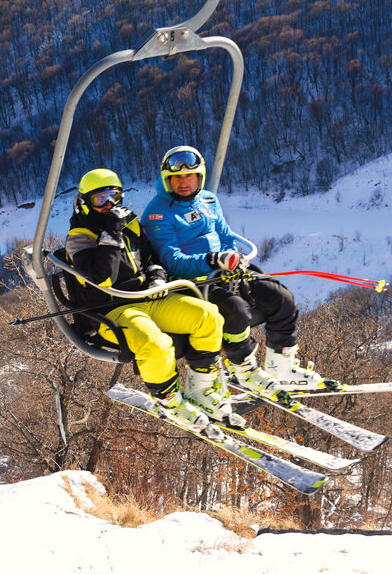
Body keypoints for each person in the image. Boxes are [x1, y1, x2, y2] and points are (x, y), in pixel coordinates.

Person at [65, 168, 244, 430]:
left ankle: (201, 390)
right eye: (100, 199)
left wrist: (157, 278)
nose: (109, 205)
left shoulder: (131, 224)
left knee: (208, 317)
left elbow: (152, 260)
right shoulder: (79, 237)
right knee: (155, 344)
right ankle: (168, 400)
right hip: (112, 309)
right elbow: (102, 277)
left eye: (114, 196)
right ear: (85, 202)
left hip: (148, 298)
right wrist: (112, 232)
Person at [141, 145, 324, 392]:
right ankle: (243, 368)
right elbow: (172, 260)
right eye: (177, 178)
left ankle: (281, 367)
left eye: (190, 176)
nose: (184, 183)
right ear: (167, 180)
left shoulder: (208, 199)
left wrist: (233, 259)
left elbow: (225, 236)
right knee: (236, 309)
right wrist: (213, 260)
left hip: (223, 271)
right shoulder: (158, 213)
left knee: (281, 297)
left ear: (199, 177)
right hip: (193, 282)